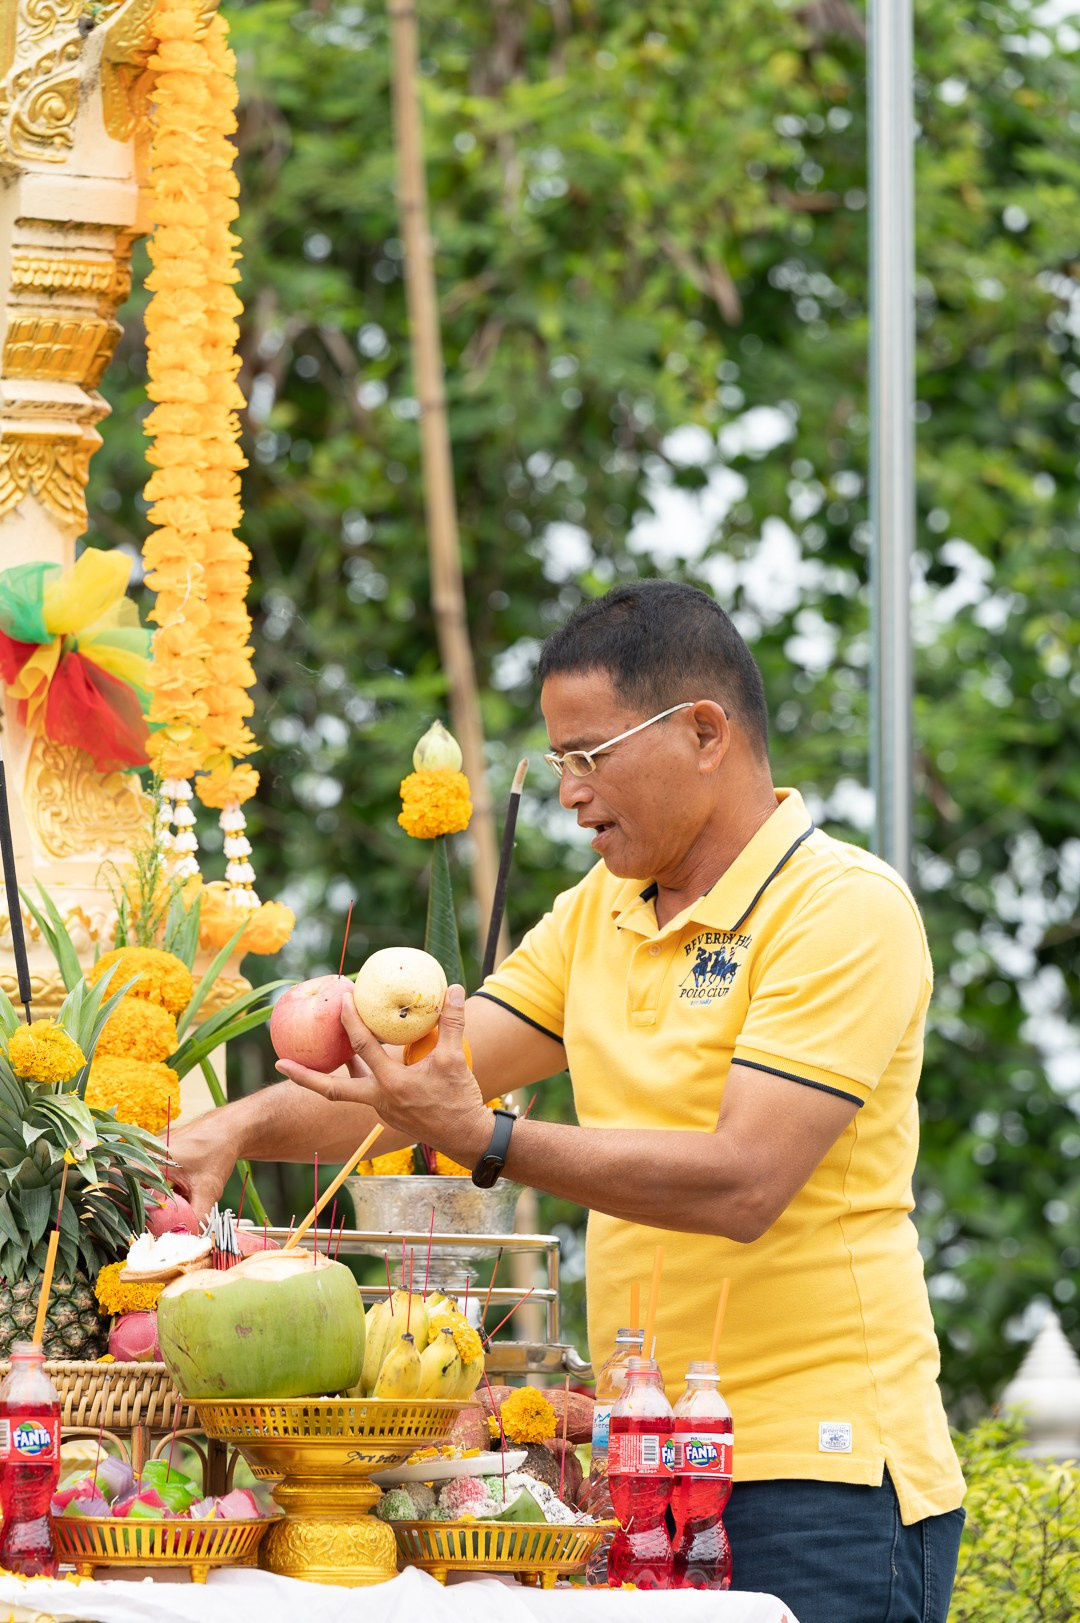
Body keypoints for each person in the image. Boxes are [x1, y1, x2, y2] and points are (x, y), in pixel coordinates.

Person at [173, 580, 965, 1623]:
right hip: (637, 1464)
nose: (568, 793)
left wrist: (490, 1139)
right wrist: (234, 1126)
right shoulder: (604, 910)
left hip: (816, 1474)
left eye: (589, 755)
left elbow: (744, 1182)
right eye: (558, 761)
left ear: (703, 733)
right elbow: (410, 1094)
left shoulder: (842, 910)